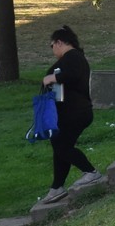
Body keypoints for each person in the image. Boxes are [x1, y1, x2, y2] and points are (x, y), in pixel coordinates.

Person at [39, 25, 104, 203]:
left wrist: (52, 78)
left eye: (52, 46)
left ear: (59, 42)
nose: (52, 50)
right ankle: (56, 187)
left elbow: (73, 75)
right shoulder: (70, 59)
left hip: (75, 112)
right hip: (67, 112)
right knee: (60, 146)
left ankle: (91, 172)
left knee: (62, 147)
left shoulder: (73, 56)